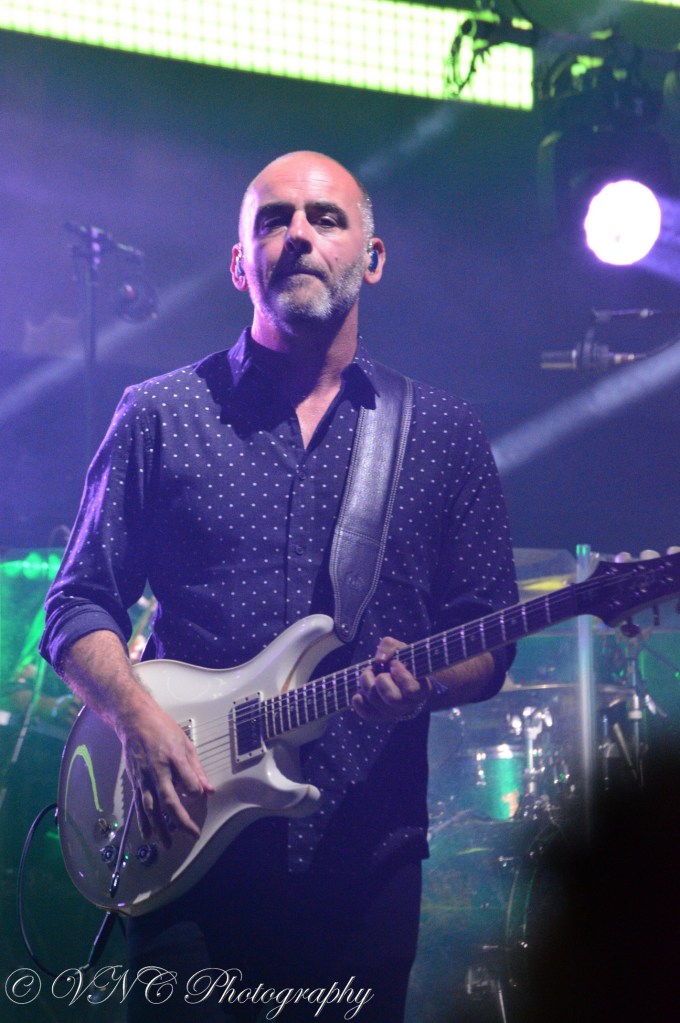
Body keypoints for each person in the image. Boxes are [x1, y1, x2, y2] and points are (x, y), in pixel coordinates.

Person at [40, 151, 518, 1022]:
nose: (299, 234)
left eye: (326, 218)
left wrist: (424, 686)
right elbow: (75, 605)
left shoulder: (444, 433)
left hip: (363, 857)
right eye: (273, 219)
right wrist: (138, 720)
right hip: (183, 851)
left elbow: (488, 638)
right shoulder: (160, 412)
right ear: (239, 263)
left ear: (372, 257)